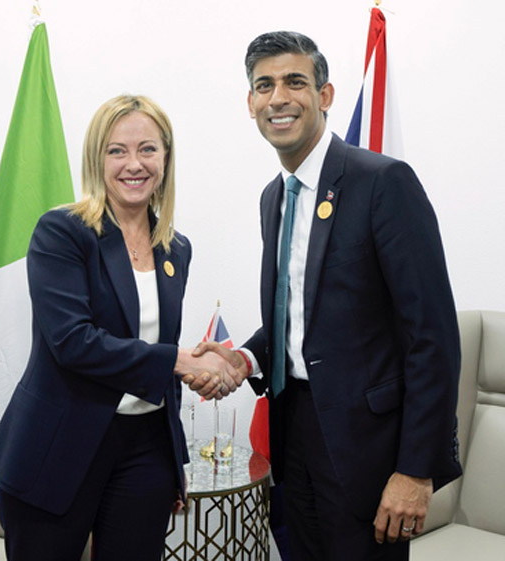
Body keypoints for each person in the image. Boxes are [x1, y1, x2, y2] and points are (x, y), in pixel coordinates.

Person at [190, 31, 462, 560]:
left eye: (295, 82)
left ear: (325, 94)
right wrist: (243, 359)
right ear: (250, 103)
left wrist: (415, 470)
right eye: (264, 86)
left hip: (368, 451)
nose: (278, 98)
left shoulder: (383, 182)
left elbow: (432, 337)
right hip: (294, 435)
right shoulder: (274, 197)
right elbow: (298, 315)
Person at [0, 94, 240, 561]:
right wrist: (180, 361)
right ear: (96, 159)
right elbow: (73, 342)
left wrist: (173, 460)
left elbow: (158, 354)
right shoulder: (62, 231)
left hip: (145, 451)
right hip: (59, 449)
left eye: (148, 149)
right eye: (117, 150)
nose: (134, 164)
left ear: (166, 158)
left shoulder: (175, 249)